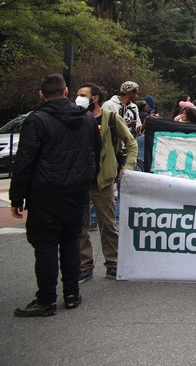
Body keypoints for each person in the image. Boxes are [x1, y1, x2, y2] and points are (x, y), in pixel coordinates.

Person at [9, 74, 97, 316]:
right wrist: (89, 181)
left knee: (45, 245)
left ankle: (46, 299)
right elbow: (95, 151)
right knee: (71, 239)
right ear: (66, 91)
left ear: (41, 94)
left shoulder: (37, 120)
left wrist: (17, 197)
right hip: (77, 189)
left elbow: (25, 161)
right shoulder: (86, 117)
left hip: (46, 191)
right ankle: (72, 293)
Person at [75, 82, 137, 282]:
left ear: (95, 98)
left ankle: (113, 263)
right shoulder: (75, 118)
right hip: (79, 181)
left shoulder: (110, 118)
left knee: (108, 225)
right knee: (80, 225)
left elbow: (131, 142)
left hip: (103, 180)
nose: (78, 98)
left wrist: (128, 166)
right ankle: (85, 265)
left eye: (83, 95)